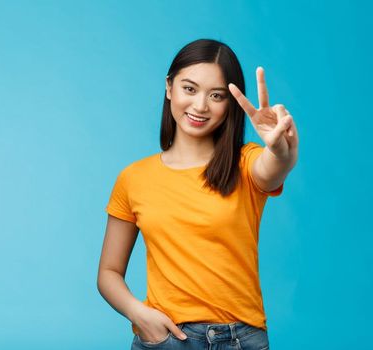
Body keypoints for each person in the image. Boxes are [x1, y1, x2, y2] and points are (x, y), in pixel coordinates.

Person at [96, 38, 299, 350]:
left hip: (240, 340)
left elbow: (273, 168)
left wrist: (282, 152)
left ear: (230, 103)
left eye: (216, 95)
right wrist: (140, 314)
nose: (201, 106)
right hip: (165, 339)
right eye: (189, 89)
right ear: (169, 87)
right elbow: (108, 273)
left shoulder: (244, 162)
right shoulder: (133, 178)